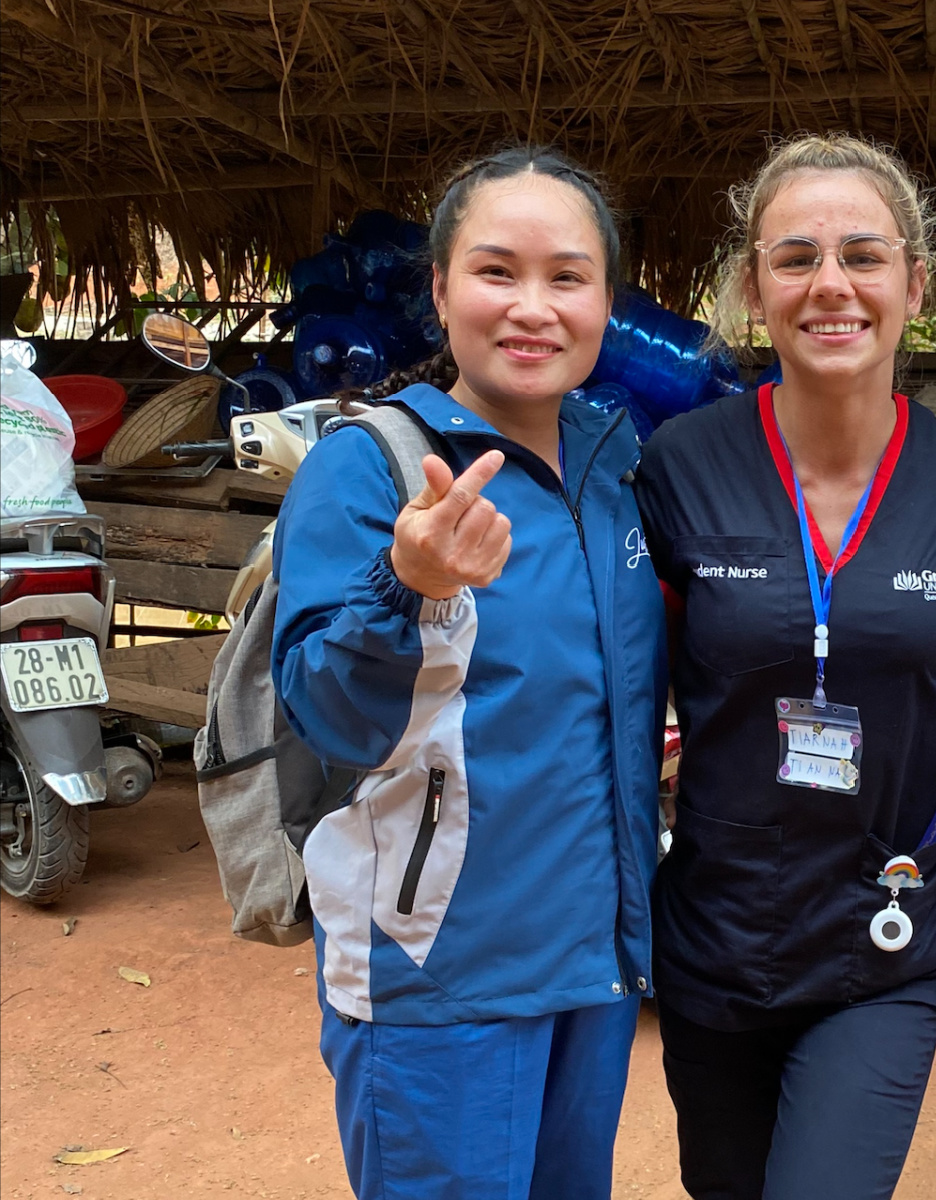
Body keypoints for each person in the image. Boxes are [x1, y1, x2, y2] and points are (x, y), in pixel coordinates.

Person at [271, 147, 667, 1200]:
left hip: (596, 966)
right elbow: (328, 715)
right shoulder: (371, 466)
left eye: (567, 277)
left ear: (606, 302)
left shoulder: (614, 466)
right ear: (440, 289)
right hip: (439, 977)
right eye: (496, 271)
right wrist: (407, 583)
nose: (532, 307)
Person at [633, 134, 936, 1200]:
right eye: (794, 257)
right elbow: (649, 682)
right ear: (754, 288)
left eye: (863, 254)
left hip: (886, 937)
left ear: (915, 282)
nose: (830, 284)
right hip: (717, 932)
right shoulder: (681, 469)